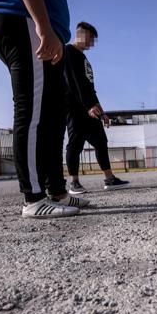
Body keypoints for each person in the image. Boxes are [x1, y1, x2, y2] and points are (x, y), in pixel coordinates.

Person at [0, 0, 89, 218]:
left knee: (52, 116)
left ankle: (57, 191)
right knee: (31, 111)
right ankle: (33, 198)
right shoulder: (31, 21)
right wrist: (42, 25)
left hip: (41, 25)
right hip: (25, 18)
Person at [64, 21, 129, 194]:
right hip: (75, 108)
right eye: (91, 38)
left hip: (90, 107)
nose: (92, 43)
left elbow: (89, 87)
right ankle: (74, 183)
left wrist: (102, 111)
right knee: (75, 144)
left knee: (101, 141)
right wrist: (87, 106)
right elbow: (74, 82)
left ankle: (109, 178)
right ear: (82, 34)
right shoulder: (68, 52)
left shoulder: (83, 57)